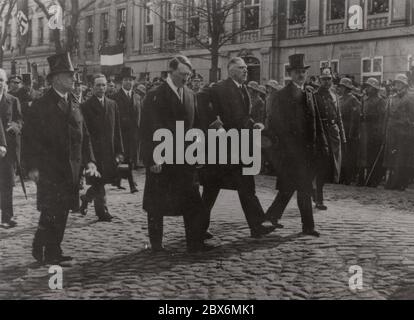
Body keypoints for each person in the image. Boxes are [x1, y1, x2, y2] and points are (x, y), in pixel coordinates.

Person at [23, 52, 97, 264]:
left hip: (71, 168)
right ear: (56, 78)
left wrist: (90, 160)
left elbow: (85, 136)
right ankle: (45, 248)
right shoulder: (41, 105)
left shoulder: (74, 103)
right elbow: (30, 139)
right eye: (69, 76)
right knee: (51, 209)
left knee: (63, 209)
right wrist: (32, 167)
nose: (73, 79)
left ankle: (50, 247)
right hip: (50, 169)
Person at [141, 55, 213, 253]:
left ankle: (195, 243)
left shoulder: (190, 94)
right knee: (157, 204)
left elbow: (197, 124)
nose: (186, 78)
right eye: (182, 74)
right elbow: (147, 130)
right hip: (162, 159)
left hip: (185, 159)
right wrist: (152, 159)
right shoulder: (155, 95)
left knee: (193, 202)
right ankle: (156, 244)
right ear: (170, 72)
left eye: (188, 74)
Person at [198, 57, 276, 240]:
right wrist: (212, 121)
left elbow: (243, 116)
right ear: (231, 70)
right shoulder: (220, 87)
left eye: (246, 68)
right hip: (222, 148)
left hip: (239, 147)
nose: (245, 71)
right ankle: (198, 227)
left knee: (246, 187)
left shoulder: (243, 90)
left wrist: (254, 124)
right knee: (211, 190)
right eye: (242, 68)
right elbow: (200, 99)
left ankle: (257, 226)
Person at [265, 54, 328, 237]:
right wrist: (285, 151)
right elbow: (277, 125)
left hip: (307, 152)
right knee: (302, 188)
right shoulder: (281, 95)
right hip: (291, 153)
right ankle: (307, 226)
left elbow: (316, 122)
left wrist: (321, 145)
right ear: (290, 74)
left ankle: (272, 215)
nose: (301, 75)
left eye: (303, 72)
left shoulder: (309, 94)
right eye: (297, 72)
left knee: (291, 187)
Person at [79, 74, 124, 221]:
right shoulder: (85, 106)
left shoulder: (112, 104)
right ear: (92, 87)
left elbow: (117, 130)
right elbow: (84, 134)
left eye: (103, 85)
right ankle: (102, 212)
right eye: (98, 85)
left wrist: (119, 151)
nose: (101, 88)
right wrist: (87, 156)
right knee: (99, 183)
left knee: (103, 181)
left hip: (109, 151)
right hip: (94, 153)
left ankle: (86, 198)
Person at [313, 69, 346, 210]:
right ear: (320, 80)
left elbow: (339, 118)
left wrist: (342, 136)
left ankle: (316, 192)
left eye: (329, 79)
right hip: (321, 134)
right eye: (324, 79)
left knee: (329, 168)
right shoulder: (314, 96)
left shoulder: (335, 96)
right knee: (320, 166)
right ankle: (318, 198)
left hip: (333, 134)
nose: (327, 82)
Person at [0, 69, 23, 229]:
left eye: (1, 80)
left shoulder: (12, 100)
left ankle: (7, 217)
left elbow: (20, 119)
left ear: (5, 83)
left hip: (7, 149)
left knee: (7, 183)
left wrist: (16, 126)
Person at [383, 74, 414, 191]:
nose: (397, 85)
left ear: (405, 85)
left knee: (402, 159)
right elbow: (388, 115)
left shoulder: (410, 98)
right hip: (393, 132)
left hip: (405, 133)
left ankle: (401, 182)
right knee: (392, 157)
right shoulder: (393, 98)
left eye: (400, 83)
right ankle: (392, 181)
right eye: (396, 83)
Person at [112, 67, 141, 194]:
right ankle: (132, 184)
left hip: (134, 134)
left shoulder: (138, 97)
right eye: (126, 80)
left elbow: (140, 115)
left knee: (130, 158)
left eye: (130, 80)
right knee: (127, 159)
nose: (128, 82)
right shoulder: (115, 97)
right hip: (121, 133)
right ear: (121, 82)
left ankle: (117, 180)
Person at [359, 78, 386, 187]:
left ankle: (375, 179)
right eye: (367, 86)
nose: (367, 88)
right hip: (366, 131)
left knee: (374, 156)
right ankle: (368, 178)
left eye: (369, 87)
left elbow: (381, 117)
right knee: (367, 156)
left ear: (374, 89)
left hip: (376, 131)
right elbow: (362, 112)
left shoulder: (380, 101)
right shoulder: (364, 100)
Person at [337, 77, 361, 185]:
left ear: (347, 88)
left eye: (342, 87)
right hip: (341, 130)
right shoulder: (340, 99)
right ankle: (341, 176)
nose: (340, 89)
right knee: (342, 154)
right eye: (340, 87)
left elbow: (355, 117)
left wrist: (352, 132)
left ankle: (348, 177)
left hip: (349, 131)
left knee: (349, 155)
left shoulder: (353, 99)